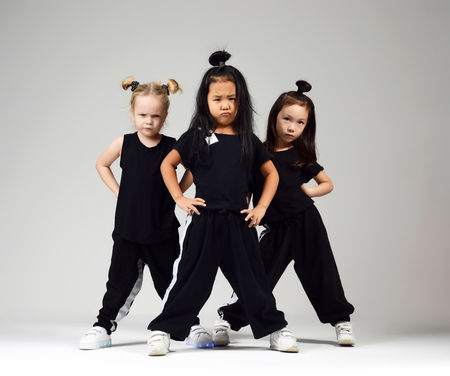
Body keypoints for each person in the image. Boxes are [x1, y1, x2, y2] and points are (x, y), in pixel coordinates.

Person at [146, 51, 299, 356]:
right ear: (205, 101)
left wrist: (261, 209)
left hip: (240, 223)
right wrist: (180, 197)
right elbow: (167, 165)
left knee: (253, 280)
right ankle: (163, 330)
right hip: (203, 220)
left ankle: (273, 329)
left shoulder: (248, 140)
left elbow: (271, 174)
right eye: (218, 99)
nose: (225, 105)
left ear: (241, 100)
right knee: (189, 280)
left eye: (231, 98)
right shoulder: (196, 136)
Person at [215, 80, 356, 346]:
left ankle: (341, 322)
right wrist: (245, 211)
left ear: (307, 126)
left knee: (322, 271)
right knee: (258, 277)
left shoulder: (302, 156)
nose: (292, 127)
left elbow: (327, 184)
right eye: (287, 119)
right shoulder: (257, 153)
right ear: (275, 118)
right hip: (275, 228)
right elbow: (246, 189)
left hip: (307, 223)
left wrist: (307, 192)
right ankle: (228, 319)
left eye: (300, 123)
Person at [79, 76, 211, 350]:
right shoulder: (123, 143)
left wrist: (180, 195)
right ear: (132, 113)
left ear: (164, 116)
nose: (148, 121)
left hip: (162, 230)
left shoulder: (172, 146)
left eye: (155, 116)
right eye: (142, 115)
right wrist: (118, 191)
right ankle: (103, 326)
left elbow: (192, 168)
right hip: (128, 230)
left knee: (173, 282)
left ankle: (190, 324)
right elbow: (102, 164)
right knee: (118, 282)